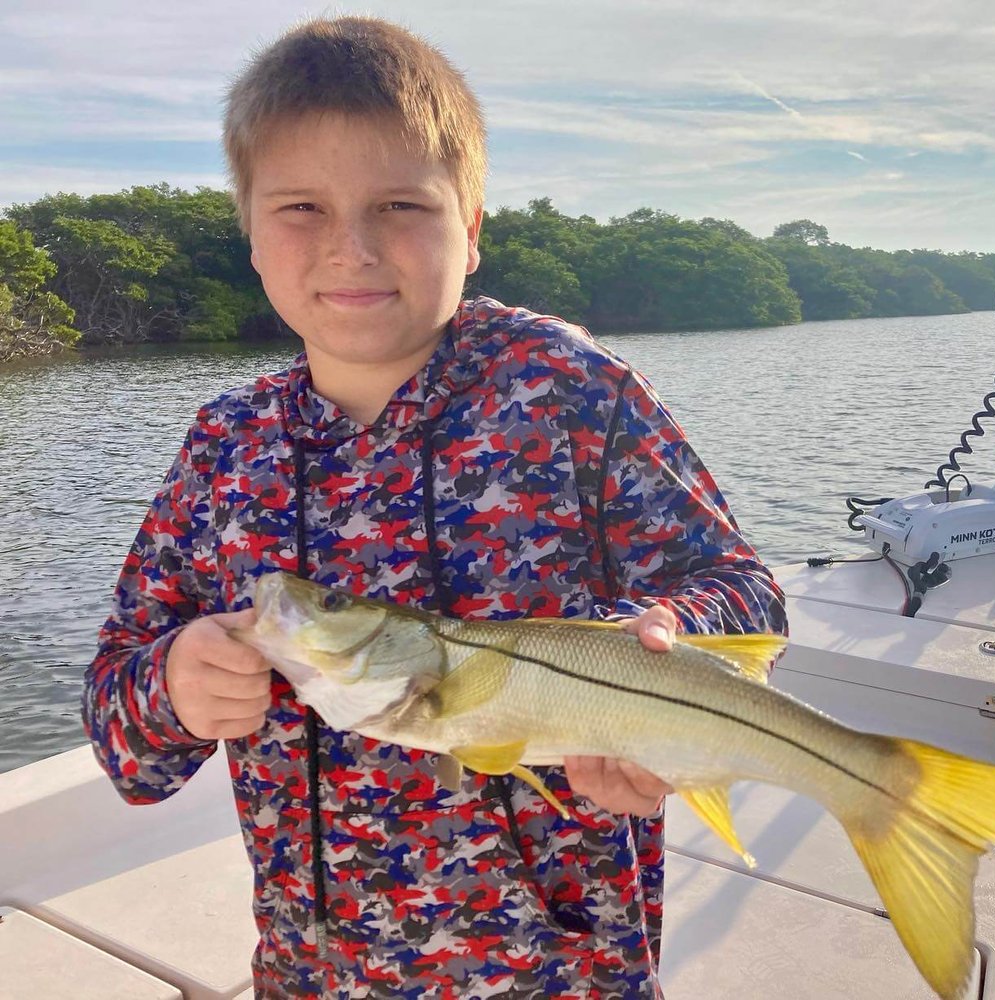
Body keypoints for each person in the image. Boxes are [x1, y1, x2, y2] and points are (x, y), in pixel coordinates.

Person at [82, 15, 787, 999]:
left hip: (569, 972)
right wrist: (172, 686)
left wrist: (670, 658)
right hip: (312, 977)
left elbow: (743, 592)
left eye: (401, 206)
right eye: (300, 208)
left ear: (474, 227)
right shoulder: (223, 449)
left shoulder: (571, 390)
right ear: (248, 232)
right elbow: (121, 728)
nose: (353, 248)